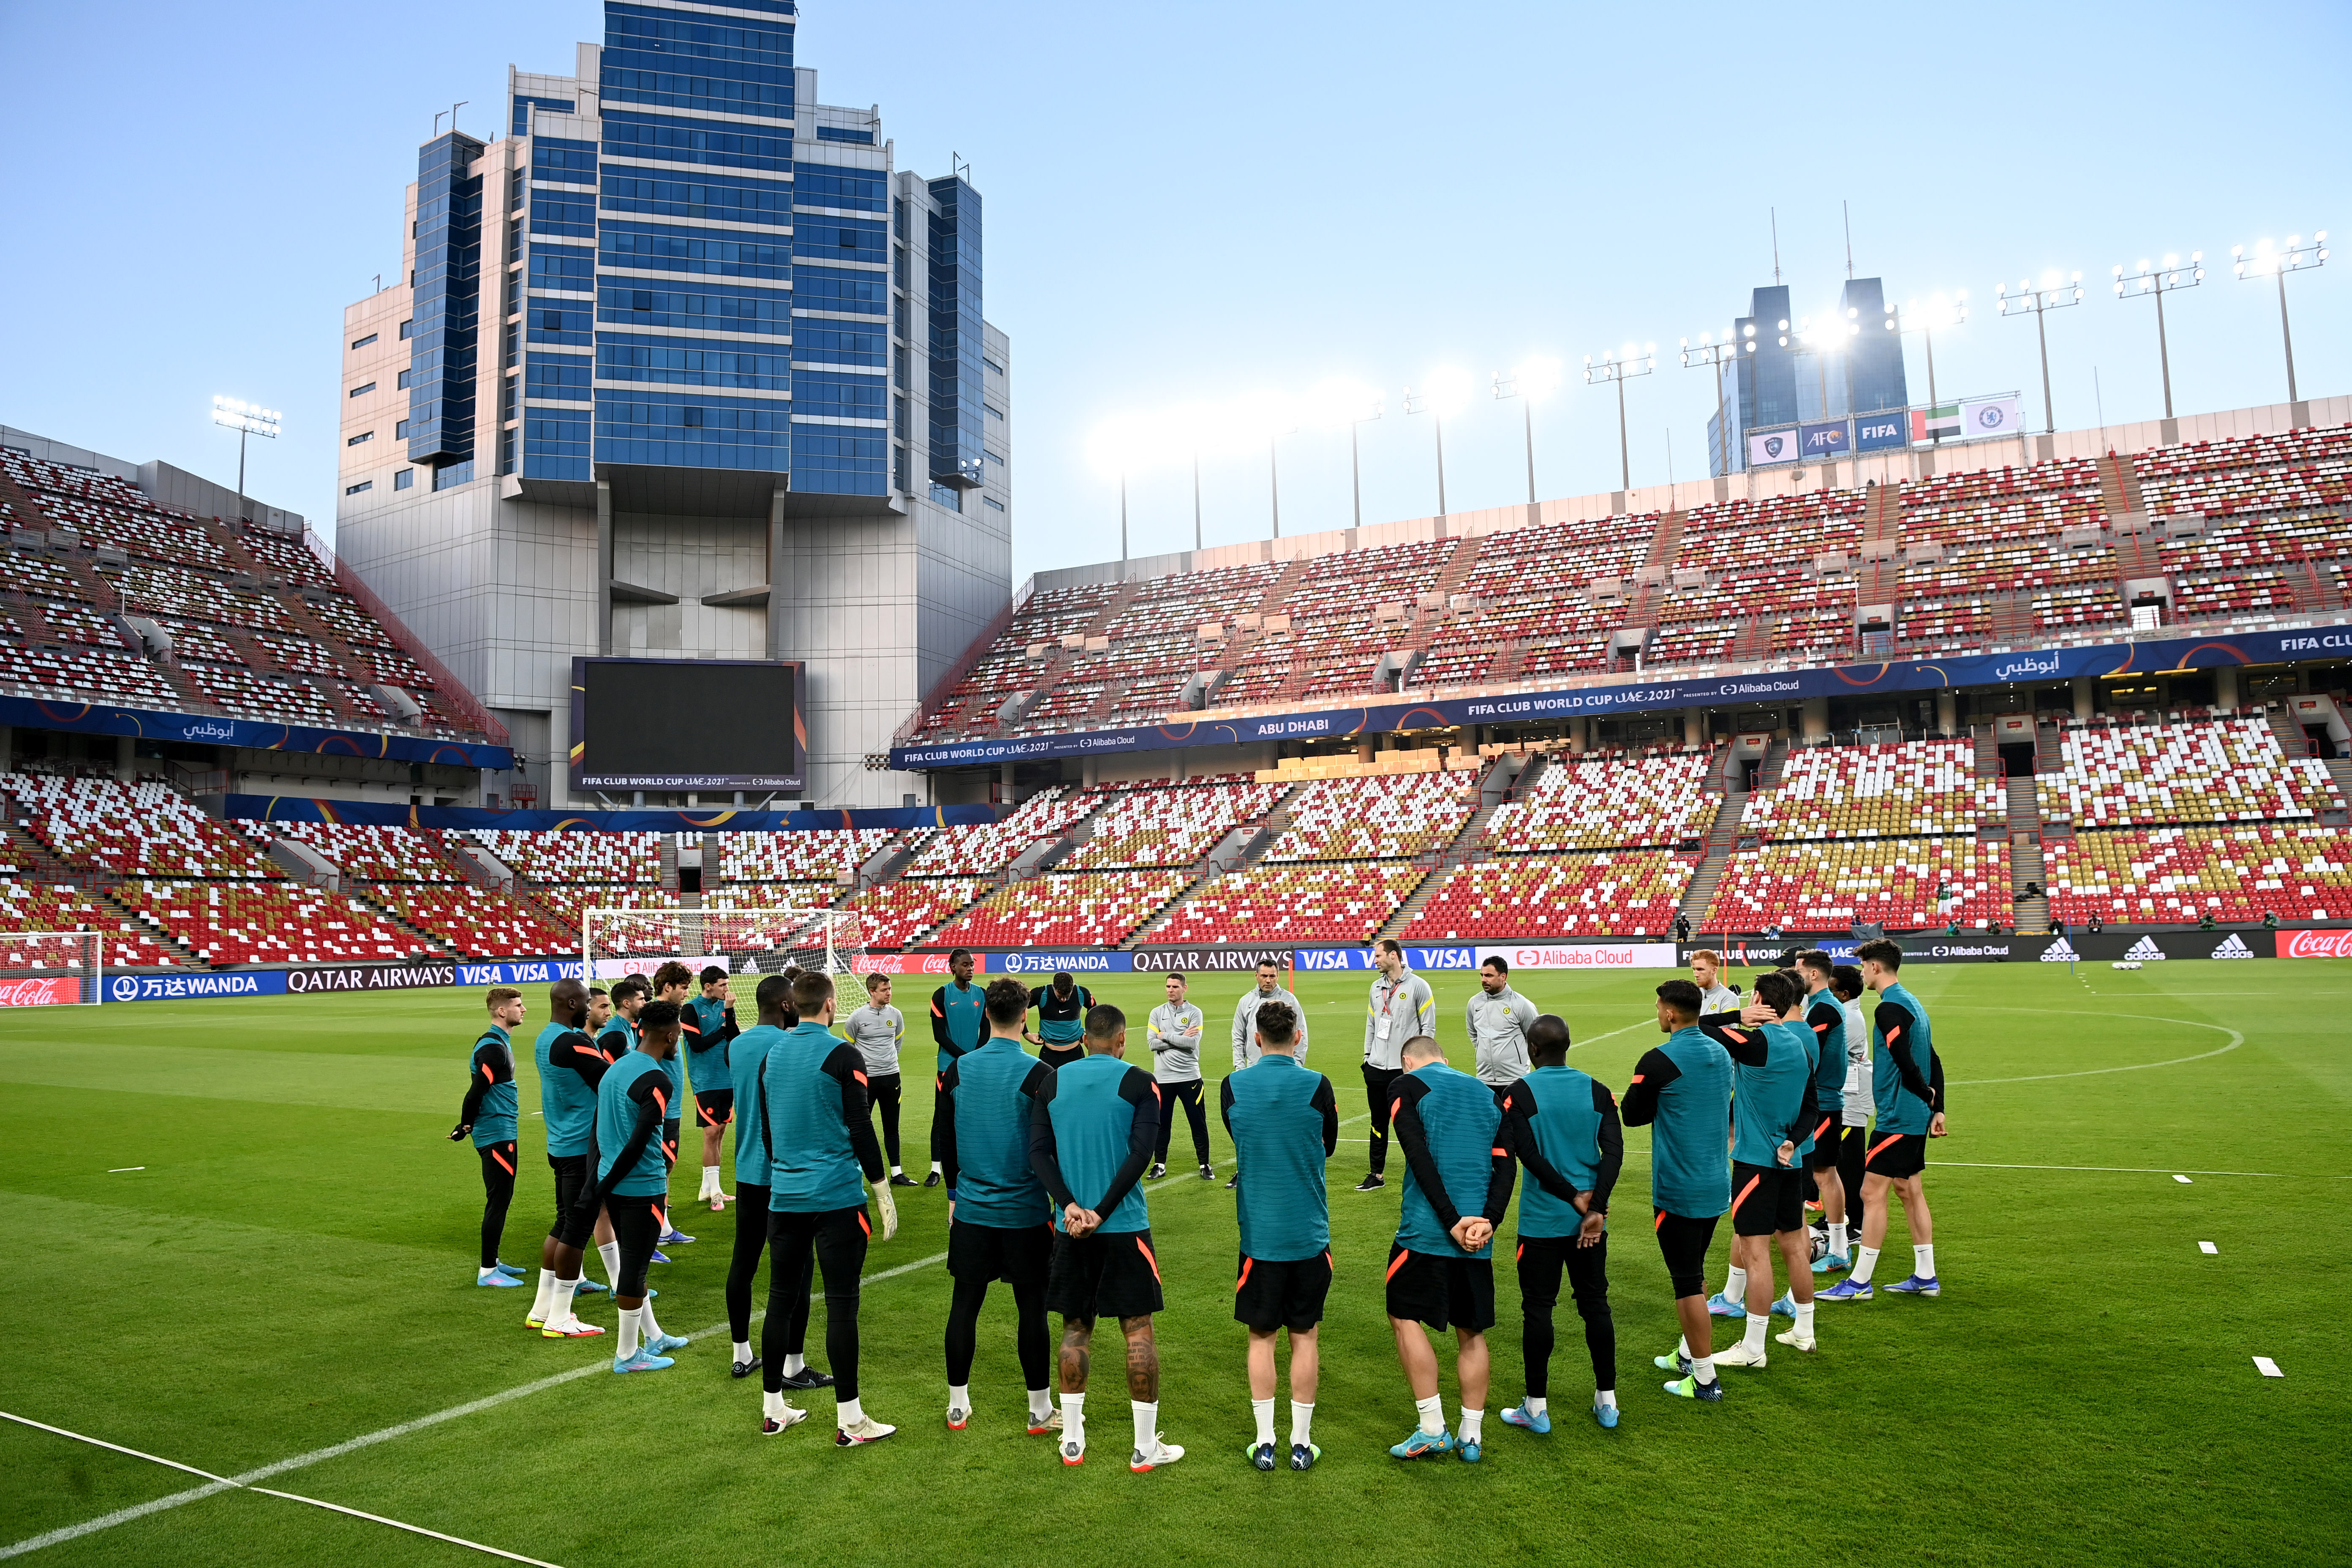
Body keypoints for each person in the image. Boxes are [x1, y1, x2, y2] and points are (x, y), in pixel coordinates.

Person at [1028, 1002, 1179, 1472]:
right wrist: (1102, 1211)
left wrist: (1070, 1207)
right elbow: (1142, 1154)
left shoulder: (1051, 1082)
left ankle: (1072, 1439)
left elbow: (1038, 1153)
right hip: (1125, 1227)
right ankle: (1144, 1446)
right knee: (1138, 1330)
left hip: (1071, 1229)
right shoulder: (1138, 1082)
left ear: (1082, 1036)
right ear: (1121, 1039)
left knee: (1076, 1328)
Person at [755, 970, 900, 1443]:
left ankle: (773, 1408)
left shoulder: (772, 1053)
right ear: (831, 1005)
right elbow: (861, 1127)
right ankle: (851, 1419)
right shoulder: (843, 1054)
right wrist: (881, 1188)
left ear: (793, 1006)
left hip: (786, 1195)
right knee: (842, 1306)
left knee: (780, 1298)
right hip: (836, 1196)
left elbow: (768, 1129)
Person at [1383, 1034, 1516, 1463]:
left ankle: (1432, 1427)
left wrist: (1450, 1218)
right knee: (1471, 1332)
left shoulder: (1406, 1086)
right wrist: (1488, 1220)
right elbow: (1505, 1162)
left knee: (1403, 1315)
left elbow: (1418, 1154)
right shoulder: (1488, 1094)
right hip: (1478, 1235)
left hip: (1426, 1231)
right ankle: (1472, 1436)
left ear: (1408, 1062)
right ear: (1444, 1056)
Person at [937, 977, 1059, 1436]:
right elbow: (1051, 1148)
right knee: (1031, 1308)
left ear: (986, 1014)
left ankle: (957, 1405)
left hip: (972, 1209)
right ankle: (1040, 1410)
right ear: (1024, 1015)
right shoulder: (1040, 1074)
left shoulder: (959, 1069)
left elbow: (945, 1138)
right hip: (1026, 1212)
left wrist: (952, 1193)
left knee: (965, 1305)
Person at [1220, 1000, 1338, 1470]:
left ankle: (1266, 1440)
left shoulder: (1233, 1086)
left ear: (1255, 1039)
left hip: (1260, 1238)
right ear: (1297, 1038)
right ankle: (1302, 1443)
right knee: (1305, 1335)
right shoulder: (1317, 1084)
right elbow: (1327, 1144)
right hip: (1308, 1233)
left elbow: (1239, 1134)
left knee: (1261, 1336)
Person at [1497, 1015, 1622, 1433]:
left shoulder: (1518, 1094)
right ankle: (1607, 1401)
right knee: (1595, 1305)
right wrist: (1596, 1207)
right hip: (1590, 1225)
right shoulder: (1599, 1091)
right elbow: (1614, 1154)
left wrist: (1572, 1196)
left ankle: (1536, 1408)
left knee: (1538, 1310)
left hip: (1542, 1223)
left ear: (1532, 1050)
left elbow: (1528, 1155)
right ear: (1569, 1044)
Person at [1620, 979, 1739, 1403]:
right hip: (1714, 1183)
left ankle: (1705, 1379)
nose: (1657, 1013)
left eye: (1658, 1007)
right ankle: (1689, 1355)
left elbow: (1631, 1115)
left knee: (1686, 1281)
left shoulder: (1659, 1059)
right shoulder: (1721, 1052)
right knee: (1696, 1268)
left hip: (1678, 1189)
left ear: (1670, 1013)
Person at [1703, 970, 1820, 1368]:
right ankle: (1804, 1331)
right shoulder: (1801, 1046)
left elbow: (1701, 1025)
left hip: (1756, 1162)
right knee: (1794, 1247)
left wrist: (1737, 1015)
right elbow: (1812, 1108)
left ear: (1758, 1000)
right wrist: (1794, 1141)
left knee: (1755, 1252)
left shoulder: (1756, 1044)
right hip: (1793, 1160)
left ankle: (1753, 1349)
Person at [1822, 939, 1947, 1302]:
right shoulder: (1912, 1003)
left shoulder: (1889, 1009)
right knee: (1909, 1191)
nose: (1862, 974)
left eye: (1864, 967)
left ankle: (1859, 1282)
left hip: (1898, 1116)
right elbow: (1933, 1058)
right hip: (1913, 1115)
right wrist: (1937, 1106)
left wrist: (1925, 1095)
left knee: (1870, 1192)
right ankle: (1926, 1275)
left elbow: (1906, 1060)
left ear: (1876, 967)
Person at [723, 973, 830, 1389]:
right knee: (798, 1270)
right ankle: (793, 1364)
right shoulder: (789, 1046)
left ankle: (741, 1354)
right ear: (788, 1004)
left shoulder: (737, 1045)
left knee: (744, 1260)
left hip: (748, 1168)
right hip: (786, 1171)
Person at [580, 998, 691, 1375]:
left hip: (614, 1182)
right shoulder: (657, 1079)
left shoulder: (616, 1068)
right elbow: (641, 1141)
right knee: (635, 1270)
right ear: (672, 1034)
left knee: (632, 1264)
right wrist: (604, 1183)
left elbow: (598, 1130)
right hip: (641, 1186)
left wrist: (598, 1182)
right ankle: (627, 1354)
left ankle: (654, 1336)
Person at [525, 977, 617, 1337]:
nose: (589, 1007)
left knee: (564, 1224)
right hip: (581, 1146)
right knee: (576, 1230)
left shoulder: (546, 1037)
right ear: (572, 1005)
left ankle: (541, 1309)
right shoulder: (572, 1042)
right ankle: (560, 1317)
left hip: (562, 1141)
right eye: (585, 1002)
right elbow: (611, 1081)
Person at [450, 987, 527, 1288]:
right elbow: (477, 1090)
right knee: (499, 1199)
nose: (524, 1010)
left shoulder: (497, 1042)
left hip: (502, 1128)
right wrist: (465, 1125)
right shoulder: (493, 1049)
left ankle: (494, 1261)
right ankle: (487, 1272)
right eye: (518, 1005)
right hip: (496, 1131)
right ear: (502, 1011)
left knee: (502, 1198)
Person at [1358, 938, 1435, 1192]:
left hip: (1407, 1070)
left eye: (1379, 956)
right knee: (1378, 1122)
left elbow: (1428, 1028)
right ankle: (1376, 1174)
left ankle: (1421, 1172)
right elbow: (1371, 1024)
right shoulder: (1375, 988)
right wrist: (1368, 1056)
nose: (1375, 960)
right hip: (1377, 1067)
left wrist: (1423, 1065)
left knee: (1412, 1122)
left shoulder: (1419, 986)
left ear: (1394, 956)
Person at [1794, 949, 1854, 1271]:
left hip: (1824, 1103)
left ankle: (1837, 1249)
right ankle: (1839, 1247)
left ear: (1813, 974)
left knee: (1820, 1175)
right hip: (1826, 1101)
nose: (1795, 973)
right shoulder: (1822, 1006)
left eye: (1798, 969)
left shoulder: (1825, 1008)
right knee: (1825, 1174)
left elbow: (1801, 1051)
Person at [844, 972, 915, 1184]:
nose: (889, 993)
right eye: (884, 990)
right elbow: (849, 1048)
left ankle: (896, 1173)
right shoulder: (856, 1018)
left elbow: (898, 1043)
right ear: (872, 992)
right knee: (858, 1127)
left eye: (890, 989)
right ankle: (851, 1172)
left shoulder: (896, 1015)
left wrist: (887, 1062)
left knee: (892, 1127)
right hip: (866, 1081)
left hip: (892, 1077)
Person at [647, 962, 700, 1247]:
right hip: (661, 1108)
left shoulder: (668, 1016)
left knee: (666, 1166)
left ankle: (663, 1228)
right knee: (659, 1168)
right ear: (668, 987)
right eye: (683, 988)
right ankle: (652, 1232)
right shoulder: (656, 1019)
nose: (686, 994)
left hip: (672, 1108)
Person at [1146, 971, 1213, 1181]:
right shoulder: (1156, 1013)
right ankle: (1159, 1164)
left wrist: (1164, 1036)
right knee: (1162, 1123)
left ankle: (1205, 1164)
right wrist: (1180, 1037)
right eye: (1168, 986)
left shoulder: (1195, 1013)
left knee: (1198, 1122)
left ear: (1185, 988)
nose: (1170, 990)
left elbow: (1192, 1043)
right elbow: (1151, 1044)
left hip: (1190, 1077)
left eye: (1175, 987)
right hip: (1163, 1078)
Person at [928, 949, 986, 1185]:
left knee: (974, 1115)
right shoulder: (941, 995)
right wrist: (965, 1057)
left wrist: (974, 1057)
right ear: (952, 966)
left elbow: (987, 1030)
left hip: (973, 1068)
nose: (970, 968)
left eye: (972, 964)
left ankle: (971, 1166)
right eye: (965, 965)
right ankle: (935, 1169)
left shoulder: (982, 995)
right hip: (947, 1068)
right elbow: (939, 1035)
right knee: (941, 1118)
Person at [685, 966, 740, 1211]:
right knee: (710, 1133)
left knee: (720, 1133)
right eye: (723, 985)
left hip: (728, 1078)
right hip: (705, 1080)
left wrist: (729, 1014)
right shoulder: (690, 1009)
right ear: (709, 986)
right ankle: (715, 1192)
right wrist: (722, 1032)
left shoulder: (724, 1007)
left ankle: (709, 1188)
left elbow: (735, 1037)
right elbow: (697, 1045)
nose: (727, 990)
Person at [1829, 964, 1872, 1262]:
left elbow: (1829, 1053)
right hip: (1844, 1095)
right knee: (1837, 1160)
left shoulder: (1850, 1019)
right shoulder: (1846, 1014)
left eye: (1832, 991)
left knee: (1850, 1162)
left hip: (1850, 1098)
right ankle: (1842, 1217)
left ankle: (1856, 1223)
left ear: (1844, 994)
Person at [1464, 956, 1541, 1100]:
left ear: (1503, 977)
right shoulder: (1474, 1003)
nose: (1483, 980)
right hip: (1484, 1079)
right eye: (1482, 975)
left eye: (1489, 976)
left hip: (1515, 1079)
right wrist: (1484, 1051)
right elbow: (1473, 1034)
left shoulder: (1521, 1004)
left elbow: (1535, 1040)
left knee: (1514, 1121)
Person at [1233, 958, 1310, 1070]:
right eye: (1264, 976)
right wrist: (1240, 1068)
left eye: (1272, 976)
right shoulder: (1246, 1001)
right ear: (1257, 976)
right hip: (1254, 1068)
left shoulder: (1289, 1000)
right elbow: (1238, 1037)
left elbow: (1301, 1034)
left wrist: (1297, 1065)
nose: (1268, 980)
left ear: (1278, 976)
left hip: (1284, 1069)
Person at [1026, 972, 1094, 1071]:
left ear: (1072, 988)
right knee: (1047, 1086)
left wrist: (1090, 1034)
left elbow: (1095, 1011)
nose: (1064, 1000)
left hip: (1076, 1055)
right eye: (1060, 996)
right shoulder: (1041, 993)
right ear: (1054, 987)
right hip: (1049, 1056)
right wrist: (1026, 1034)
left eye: (1067, 996)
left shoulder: (1082, 993)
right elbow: (1018, 1008)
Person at [1689, 950, 1739, 1014]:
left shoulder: (1729, 998)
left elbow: (1727, 1024)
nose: (1696, 975)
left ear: (1714, 971)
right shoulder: (1692, 996)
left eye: (1700, 970)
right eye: (1694, 970)